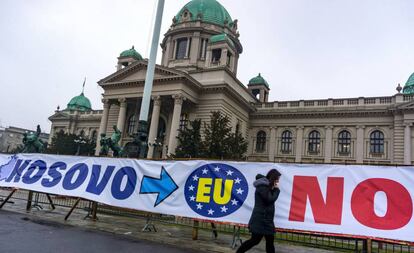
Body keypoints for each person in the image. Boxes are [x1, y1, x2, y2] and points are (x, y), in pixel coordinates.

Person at [237, 169, 281, 253]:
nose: (278, 181)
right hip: (260, 220)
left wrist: (273, 189)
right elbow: (269, 199)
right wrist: (276, 190)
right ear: (273, 178)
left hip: (267, 220)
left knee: (270, 241)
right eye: (277, 179)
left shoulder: (267, 187)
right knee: (255, 240)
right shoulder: (262, 186)